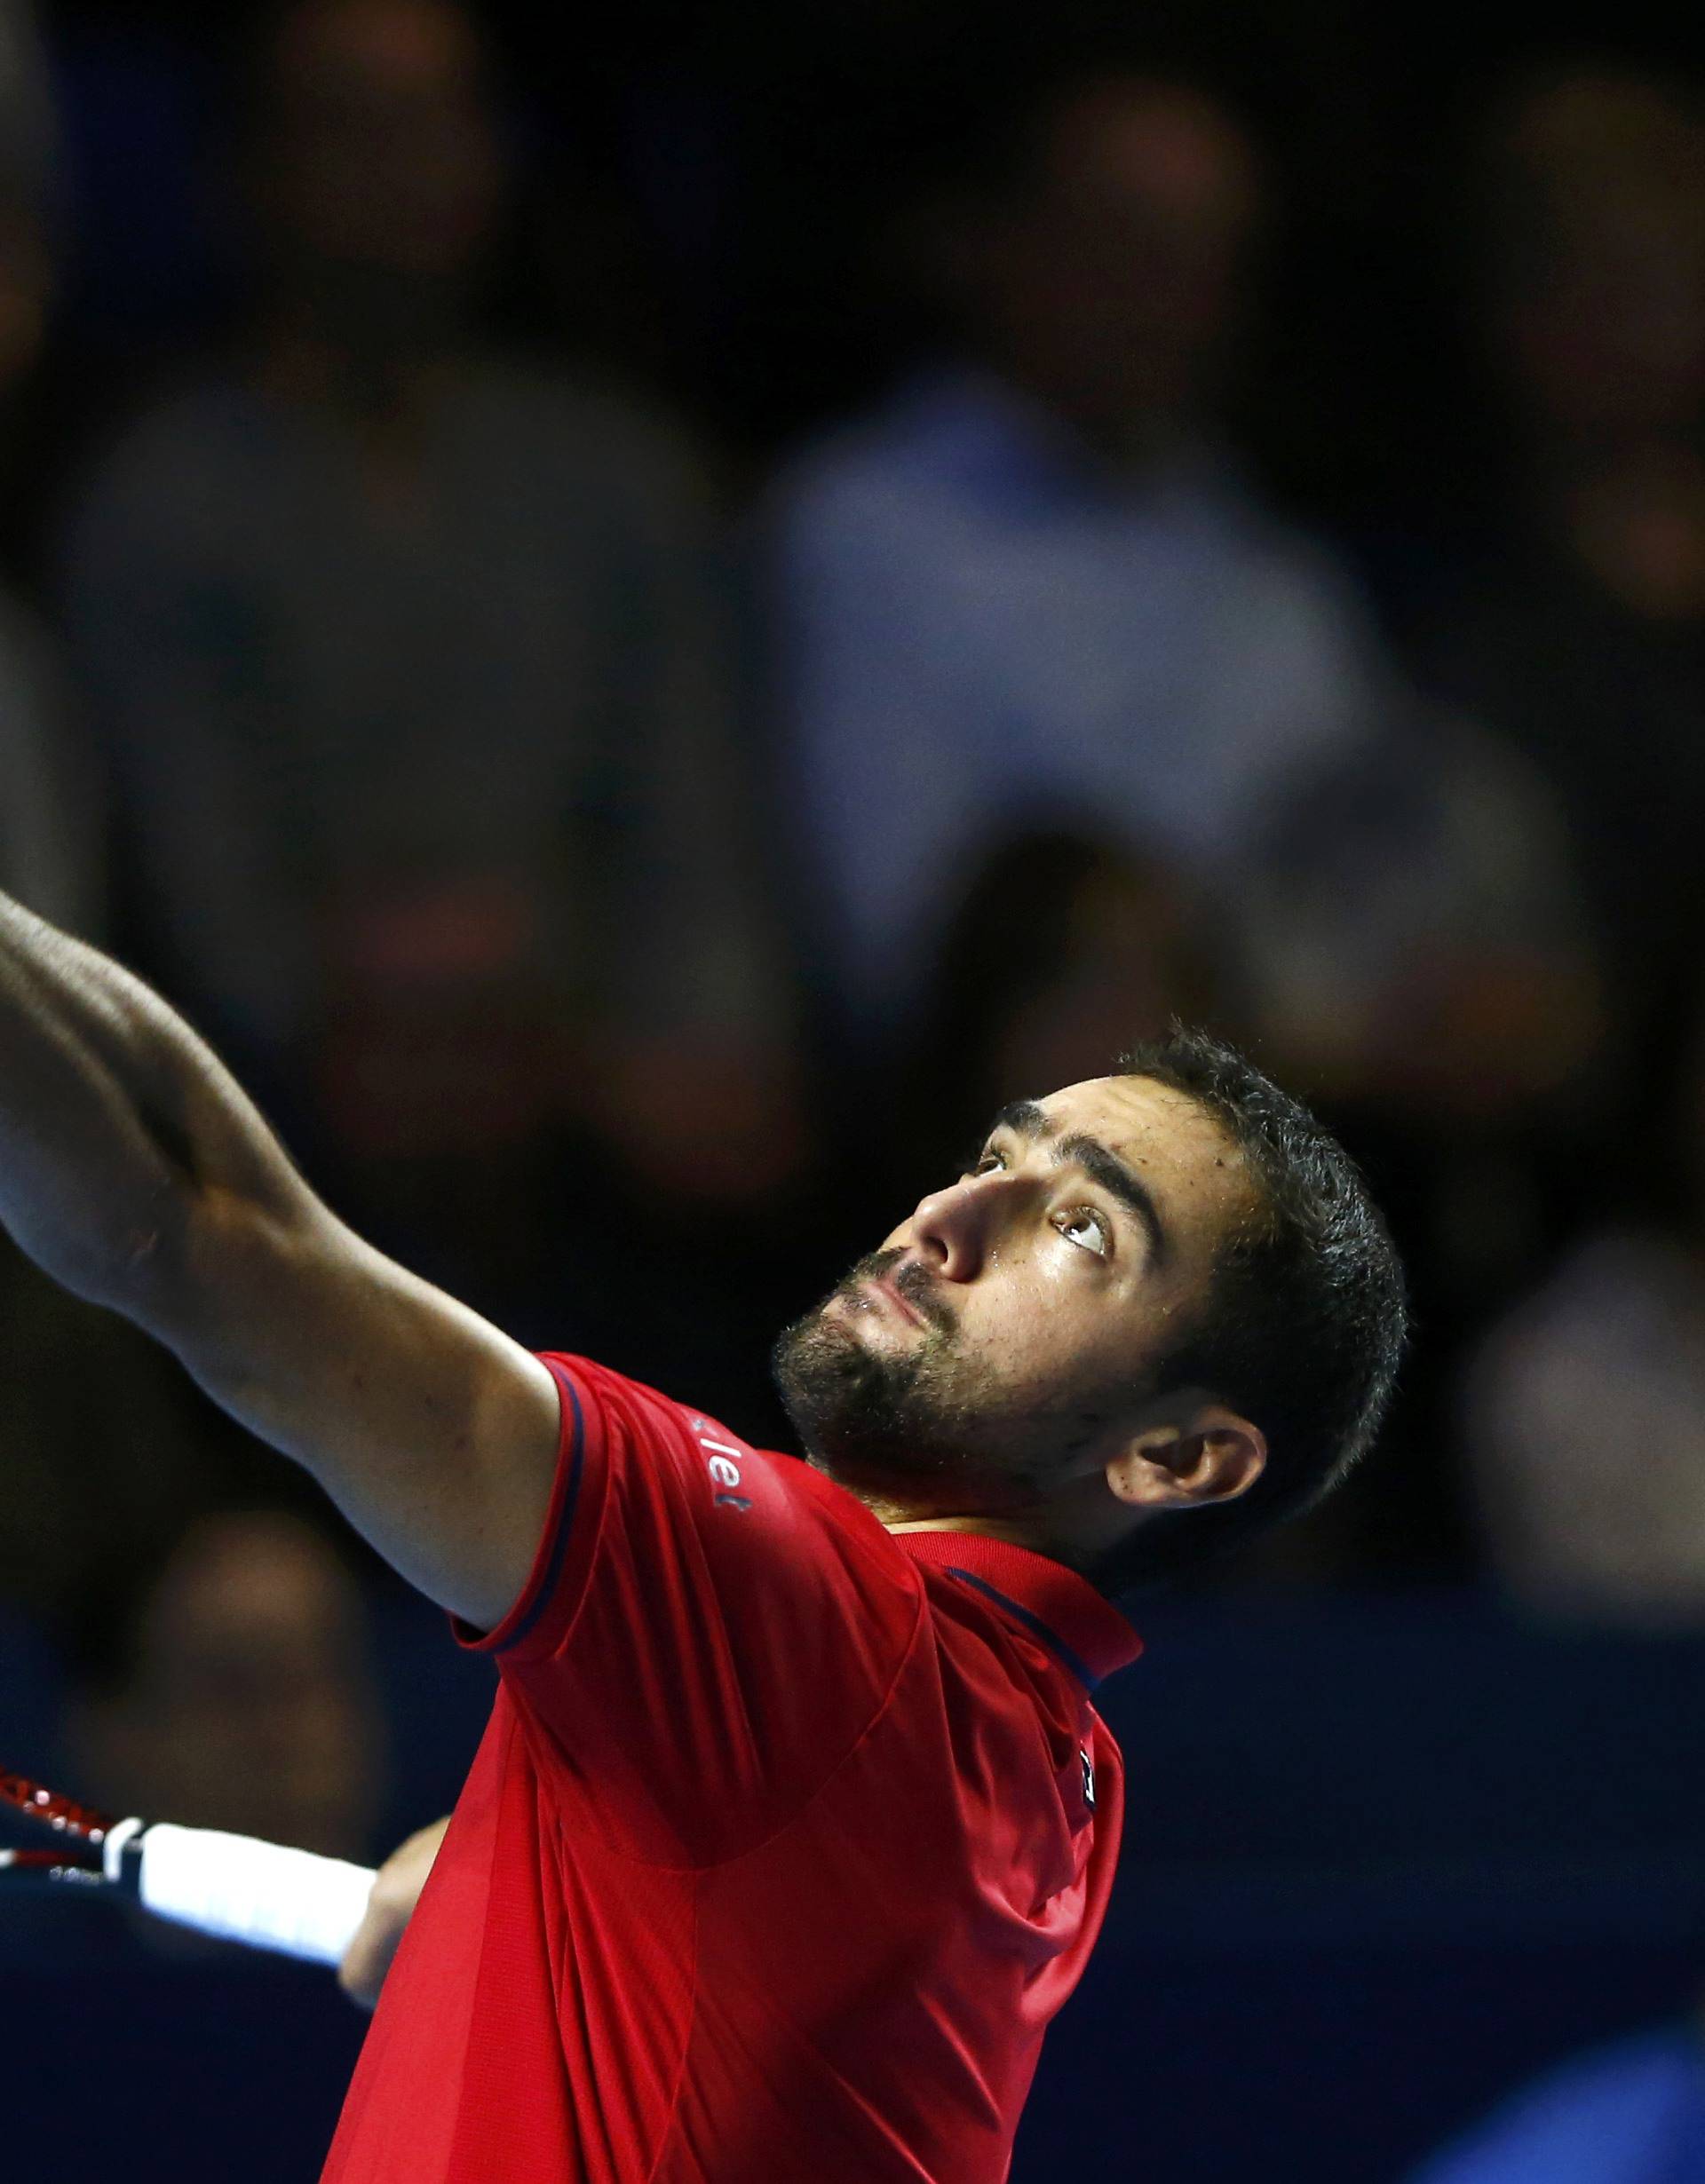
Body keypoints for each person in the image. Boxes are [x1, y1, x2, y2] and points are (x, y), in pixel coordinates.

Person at [0, 884, 1406, 2180]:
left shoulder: (817, 1644)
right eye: (998, 1153)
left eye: (1083, 1230)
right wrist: (511, 1878)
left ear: (1175, 1456)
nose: (947, 1215)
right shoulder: (1056, 1771)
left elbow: (190, 1222)